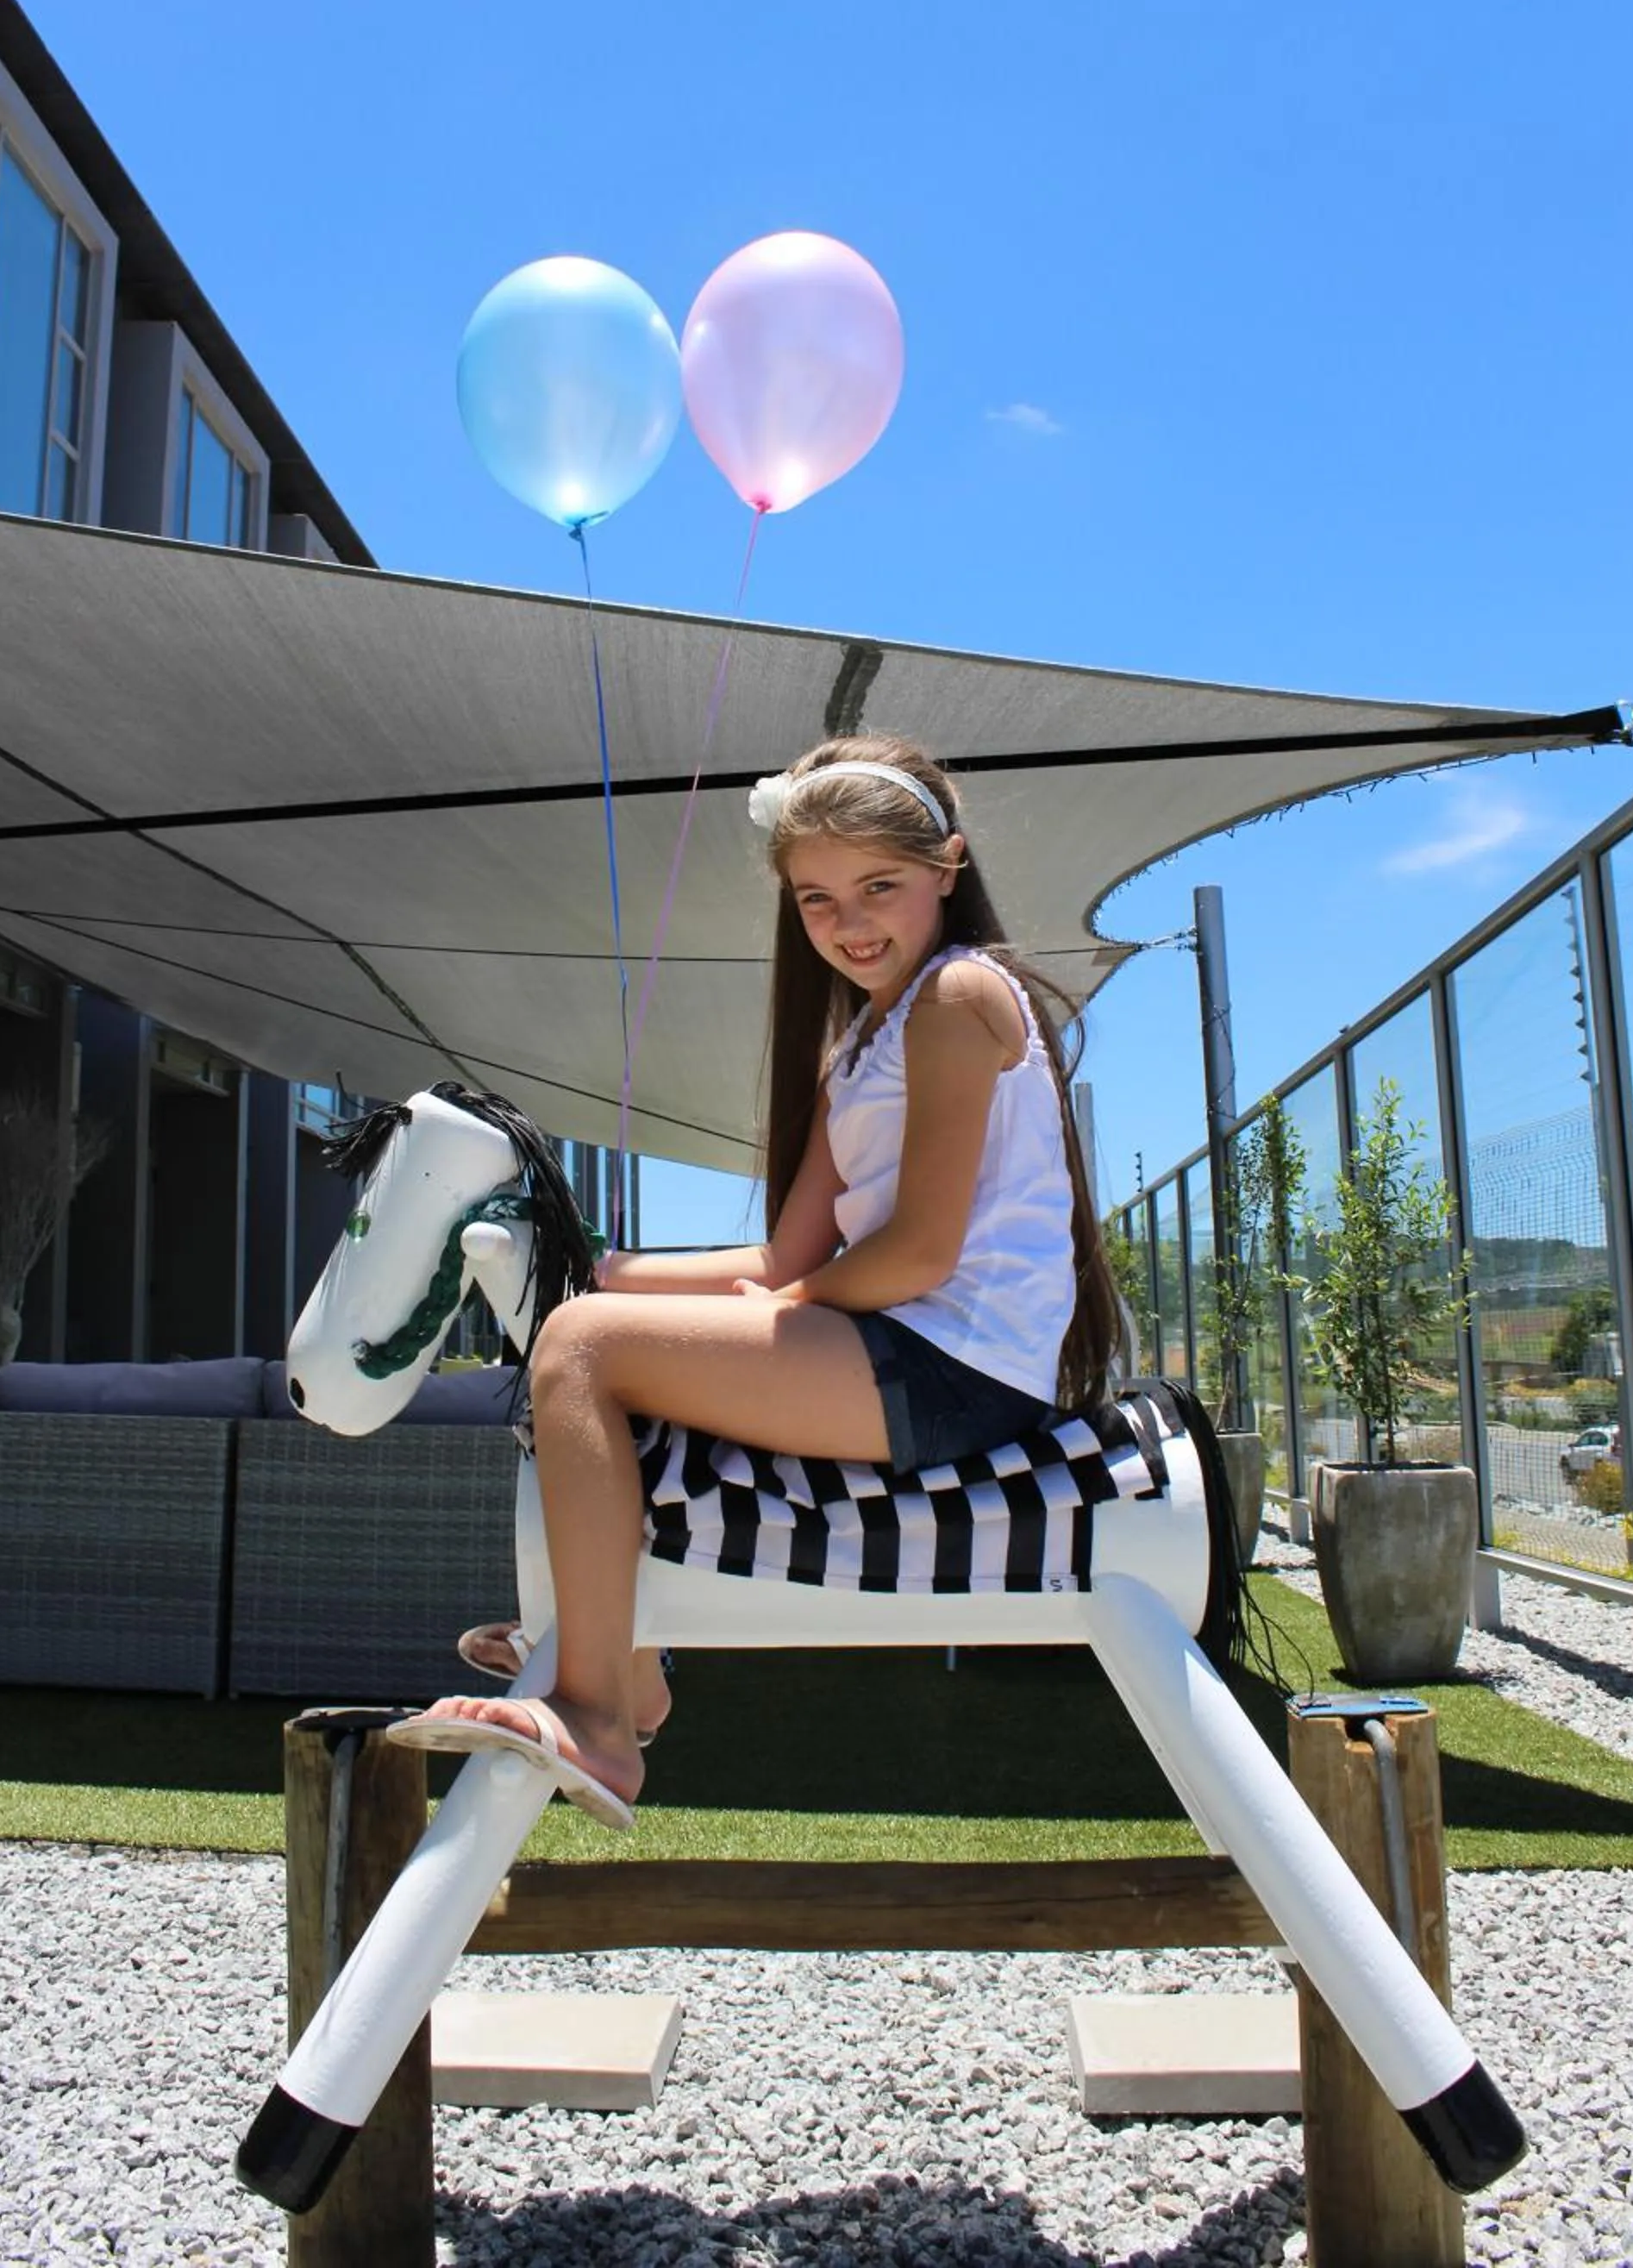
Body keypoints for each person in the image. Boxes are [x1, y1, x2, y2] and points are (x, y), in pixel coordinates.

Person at [387, 733, 1120, 1818]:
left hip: (958, 1367)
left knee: (584, 1348)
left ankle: (597, 1721)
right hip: (904, 1346)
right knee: (583, 1321)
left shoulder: (959, 995)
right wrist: (595, 1267)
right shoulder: (863, 1046)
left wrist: (766, 1309)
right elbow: (784, 1255)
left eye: (880, 885)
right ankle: (621, 1662)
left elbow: (917, 1253)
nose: (850, 922)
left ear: (947, 867)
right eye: (817, 899)